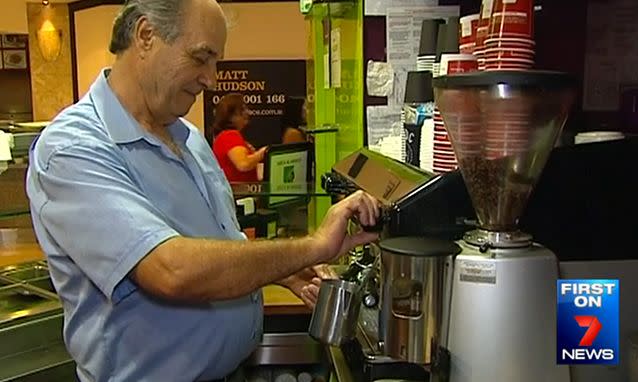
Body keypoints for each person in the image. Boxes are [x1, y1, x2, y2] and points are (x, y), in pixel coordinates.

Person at [24, 0, 380, 381]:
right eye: (201, 57)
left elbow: (220, 240)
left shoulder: (189, 139)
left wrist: (282, 270)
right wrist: (312, 246)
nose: (211, 79)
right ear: (146, 36)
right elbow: (171, 270)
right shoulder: (73, 148)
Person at [211, 93, 266, 182]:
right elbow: (243, 164)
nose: (247, 112)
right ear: (231, 115)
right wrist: (263, 152)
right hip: (240, 194)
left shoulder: (223, 136)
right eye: (243, 109)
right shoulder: (230, 135)